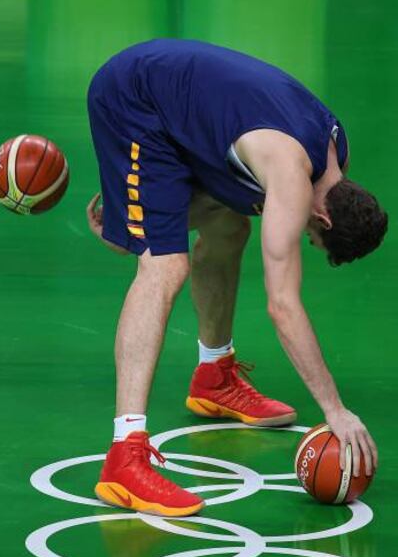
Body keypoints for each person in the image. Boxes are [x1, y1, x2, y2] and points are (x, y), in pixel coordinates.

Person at [87, 39, 387, 517]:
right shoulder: (291, 173)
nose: (305, 240)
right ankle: (124, 455)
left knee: (229, 225)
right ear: (326, 220)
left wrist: (140, 219)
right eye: (314, 239)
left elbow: (218, 199)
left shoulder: (335, 158)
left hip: (184, 101)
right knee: (164, 264)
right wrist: (335, 409)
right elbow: (283, 306)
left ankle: (214, 376)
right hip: (135, 96)